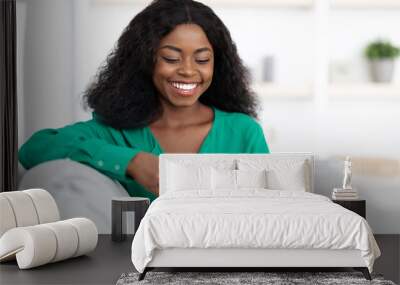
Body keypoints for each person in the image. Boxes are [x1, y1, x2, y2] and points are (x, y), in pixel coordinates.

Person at [19, 0, 270, 202]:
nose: (188, 71)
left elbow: (268, 209)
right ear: (145, 60)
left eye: (202, 60)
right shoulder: (117, 132)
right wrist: (131, 162)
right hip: (134, 263)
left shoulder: (243, 132)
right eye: (171, 58)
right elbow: (35, 149)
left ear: (218, 65)